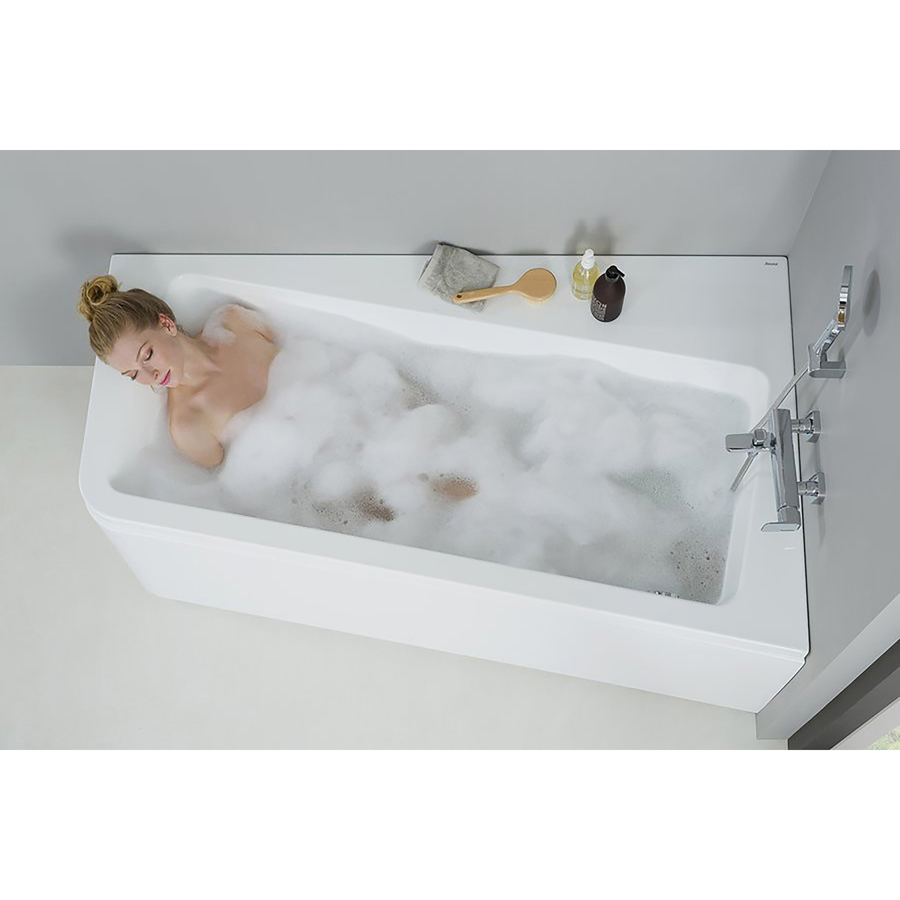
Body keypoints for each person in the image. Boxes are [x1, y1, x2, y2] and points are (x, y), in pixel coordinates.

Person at [77, 275, 279, 468]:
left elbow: (286, 339)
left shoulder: (234, 321)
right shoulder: (188, 426)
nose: (151, 375)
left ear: (167, 325)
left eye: (147, 355)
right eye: (133, 374)